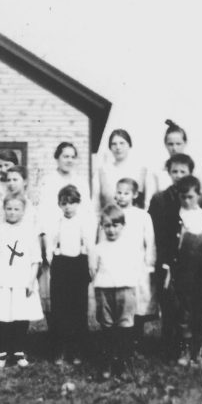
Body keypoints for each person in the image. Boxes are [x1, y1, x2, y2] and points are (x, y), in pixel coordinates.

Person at [37, 142, 96, 322]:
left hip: (77, 244)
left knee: (78, 294)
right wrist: (46, 241)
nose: (69, 160)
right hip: (56, 242)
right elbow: (44, 212)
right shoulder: (49, 181)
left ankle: (78, 338)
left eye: (72, 157)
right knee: (57, 293)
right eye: (65, 156)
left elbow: (87, 212)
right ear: (57, 158)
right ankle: (57, 336)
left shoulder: (80, 181)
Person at [0, 193, 43, 368]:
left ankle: (18, 350)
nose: (12, 212)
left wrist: (31, 280)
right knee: (3, 318)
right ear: (4, 210)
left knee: (20, 317)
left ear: (23, 211)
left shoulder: (29, 231)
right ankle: (2, 351)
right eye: (9, 209)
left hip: (22, 280)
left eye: (17, 209)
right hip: (3, 280)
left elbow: (35, 259)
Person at [148, 153, 196, 360]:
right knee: (168, 302)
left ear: (190, 173)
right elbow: (152, 230)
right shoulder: (160, 199)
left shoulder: (194, 198)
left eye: (182, 172)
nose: (178, 175)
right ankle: (168, 345)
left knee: (186, 303)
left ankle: (186, 345)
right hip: (165, 257)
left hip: (187, 258)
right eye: (174, 171)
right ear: (168, 173)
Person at [167, 176, 202, 366]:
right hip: (184, 269)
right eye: (183, 197)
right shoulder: (177, 217)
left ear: (199, 196)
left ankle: (198, 349)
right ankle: (185, 348)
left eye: (191, 197)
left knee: (201, 308)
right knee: (184, 308)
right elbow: (173, 247)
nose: (187, 201)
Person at [47, 185, 95, 366]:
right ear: (59, 205)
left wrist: (88, 263)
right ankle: (60, 349)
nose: (68, 207)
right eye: (64, 203)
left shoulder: (83, 222)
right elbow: (50, 246)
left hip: (78, 265)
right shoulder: (57, 223)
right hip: (61, 266)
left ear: (78, 203)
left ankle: (77, 350)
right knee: (60, 309)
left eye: (72, 203)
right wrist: (53, 258)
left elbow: (89, 244)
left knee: (78, 309)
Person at [91, 204, 137, 380]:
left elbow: (134, 267)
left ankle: (123, 363)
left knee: (125, 325)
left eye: (115, 225)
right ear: (102, 227)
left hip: (125, 289)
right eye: (107, 226)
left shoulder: (129, 246)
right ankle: (107, 363)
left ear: (123, 226)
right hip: (104, 290)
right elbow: (93, 269)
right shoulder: (98, 248)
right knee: (107, 325)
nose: (111, 230)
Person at [113, 178, 156, 352]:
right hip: (116, 262)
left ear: (135, 195)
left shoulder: (142, 215)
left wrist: (149, 262)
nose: (122, 197)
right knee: (120, 301)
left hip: (137, 263)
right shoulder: (111, 212)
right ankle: (120, 339)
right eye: (119, 192)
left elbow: (150, 241)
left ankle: (137, 339)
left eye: (126, 193)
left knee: (137, 301)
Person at [93, 129, 151, 212]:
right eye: (114, 144)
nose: (118, 147)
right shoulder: (102, 171)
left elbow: (147, 202)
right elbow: (95, 202)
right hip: (109, 220)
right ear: (110, 147)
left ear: (129, 145)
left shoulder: (141, 170)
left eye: (122, 143)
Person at [152, 120, 188, 193]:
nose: (174, 148)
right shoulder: (157, 172)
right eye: (170, 144)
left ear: (185, 143)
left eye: (178, 144)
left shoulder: (194, 169)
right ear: (165, 144)